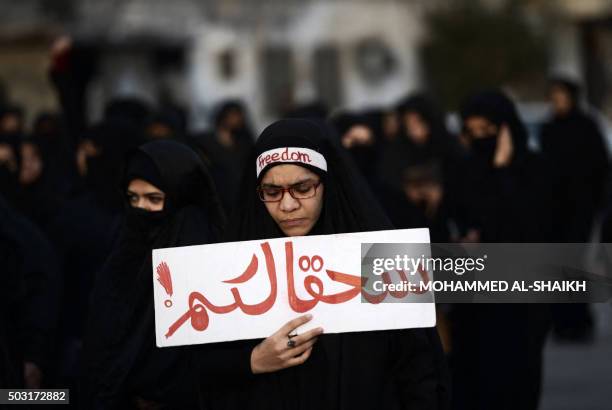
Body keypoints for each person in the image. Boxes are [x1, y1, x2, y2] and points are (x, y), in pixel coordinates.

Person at [195, 118, 450, 410]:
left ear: (327, 184)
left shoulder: (382, 258)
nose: (288, 206)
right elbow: (199, 369)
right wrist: (252, 361)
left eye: (303, 188)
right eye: (272, 192)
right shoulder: (234, 268)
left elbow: (418, 369)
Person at [81, 140, 225, 409]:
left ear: (181, 196)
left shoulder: (197, 245)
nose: (141, 209)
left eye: (154, 199)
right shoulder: (125, 243)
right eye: (133, 198)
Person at [450, 90, 553, 410]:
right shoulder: (464, 170)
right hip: (475, 295)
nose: (481, 139)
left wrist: (502, 169)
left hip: (522, 296)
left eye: (489, 131)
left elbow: (532, 225)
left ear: (506, 128)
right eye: (473, 131)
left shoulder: (533, 169)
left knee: (517, 379)